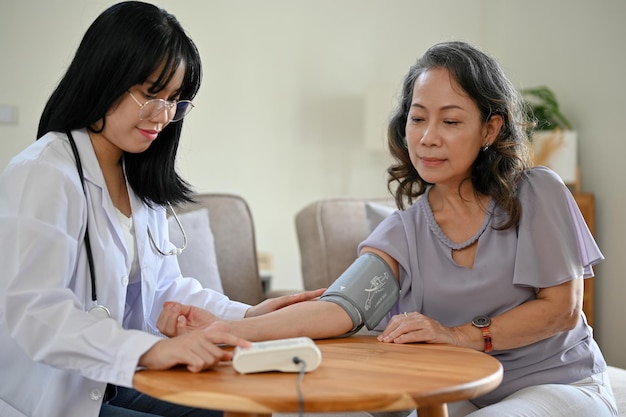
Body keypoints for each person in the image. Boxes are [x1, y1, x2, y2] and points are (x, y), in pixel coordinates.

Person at [157, 41, 618, 416]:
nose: (427, 136)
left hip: (562, 384)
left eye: (451, 120)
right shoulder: (405, 230)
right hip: (465, 394)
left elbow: (560, 308)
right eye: (418, 118)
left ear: (490, 129)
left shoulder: (538, 192)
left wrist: (458, 335)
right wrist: (222, 328)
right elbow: (339, 308)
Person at [0, 2, 323, 417]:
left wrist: (249, 313)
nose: (164, 115)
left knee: (247, 408)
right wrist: (151, 350)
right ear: (105, 75)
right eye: (151, 94)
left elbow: (166, 289)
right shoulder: (44, 173)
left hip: (112, 378)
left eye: (175, 100)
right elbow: (36, 314)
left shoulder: (135, 176)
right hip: (51, 394)